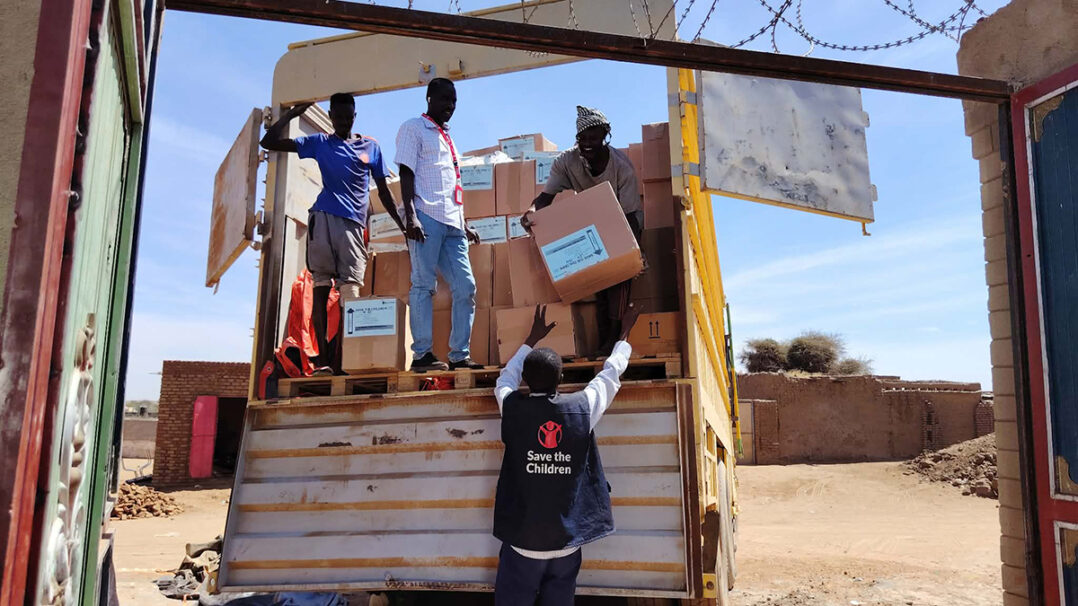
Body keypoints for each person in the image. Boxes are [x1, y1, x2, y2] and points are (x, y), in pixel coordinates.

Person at [491, 303, 640, 606]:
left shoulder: (512, 408)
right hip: (566, 545)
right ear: (560, 380)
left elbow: (505, 379)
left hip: (522, 544)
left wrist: (530, 339)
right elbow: (610, 375)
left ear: (525, 380)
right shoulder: (582, 408)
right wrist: (624, 333)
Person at [260, 93, 404, 374]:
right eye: (337, 117)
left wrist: (401, 223)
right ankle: (324, 362)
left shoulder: (371, 147)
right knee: (321, 287)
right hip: (323, 219)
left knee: (350, 290)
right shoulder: (320, 143)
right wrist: (294, 113)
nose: (343, 122)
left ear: (355, 116)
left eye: (348, 117)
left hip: (353, 226)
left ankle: (346, 361)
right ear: (330, 117)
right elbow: (269, 142)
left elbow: (384, 191)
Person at [520, 106, 643, 355]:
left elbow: (630, 217)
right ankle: (603, 342)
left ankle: (613, 341)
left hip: (625, 221)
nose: (587, 144)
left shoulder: (622, 168)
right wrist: (532, 212)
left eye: (593, 138)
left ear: (605, 136)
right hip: (593, 223)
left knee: (619, 278)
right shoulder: (567, 162)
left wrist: (635, 252)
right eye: (582, 138)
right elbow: (545, 198)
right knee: (598, 280)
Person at [395, 78, 483, 372]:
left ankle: (459, 356)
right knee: (423, 284)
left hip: (452, 224)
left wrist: (463, 223)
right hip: (426, 216)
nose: (450, 106)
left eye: (454, 101)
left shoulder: (448, 136)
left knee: (466, 286)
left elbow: (450, 184)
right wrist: (411, 216)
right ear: (429, 98)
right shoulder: (413, 128)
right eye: (445, 99)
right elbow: (406, 173)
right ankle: (422, 356)